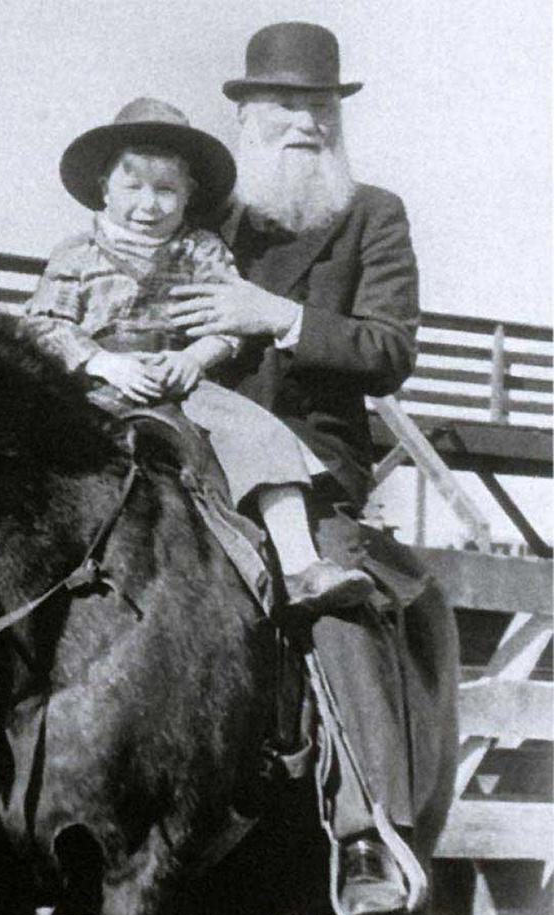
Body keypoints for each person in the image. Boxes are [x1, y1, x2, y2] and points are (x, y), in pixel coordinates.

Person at [167, 22, 424, 915]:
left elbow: (389, 349)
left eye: (319, 106)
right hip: (179, 435)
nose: (304, 124)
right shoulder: (195, 213)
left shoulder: (372, 214)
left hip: (307, 460)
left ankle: (366, 832)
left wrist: (272, 314)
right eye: (282, 106)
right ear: (244, 115)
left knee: (335, 595)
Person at [24, 96, 376, 616]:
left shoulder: (202, 251)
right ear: (104, 188)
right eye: (133, 188)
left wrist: (194, 359)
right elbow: (41, 323)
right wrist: (102, 362)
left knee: (261, 434)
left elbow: (230, 325)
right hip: (96, 379)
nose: (150, 205)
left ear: (189, 193)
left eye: (167, 190)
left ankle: (301, 564)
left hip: (179, 378)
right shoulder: (77, 253)